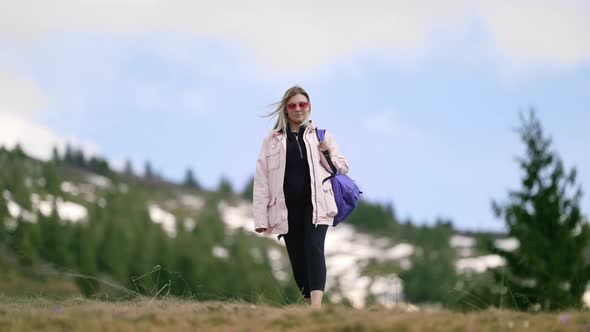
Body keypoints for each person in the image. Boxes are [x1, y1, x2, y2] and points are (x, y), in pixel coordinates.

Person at [253, 85, 349, 309]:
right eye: (293, 105)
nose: (298, 109)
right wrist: (260, 219)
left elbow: (342, 167)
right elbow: (262, 180)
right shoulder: (272, 141)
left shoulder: (322, 136)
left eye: (302, 104)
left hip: (317, 206)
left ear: (309, 108)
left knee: (314, 248)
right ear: (286, 110)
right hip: (286, 209)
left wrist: (326, 153)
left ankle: (316, 308)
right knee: (297, 260)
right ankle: (310, 307)